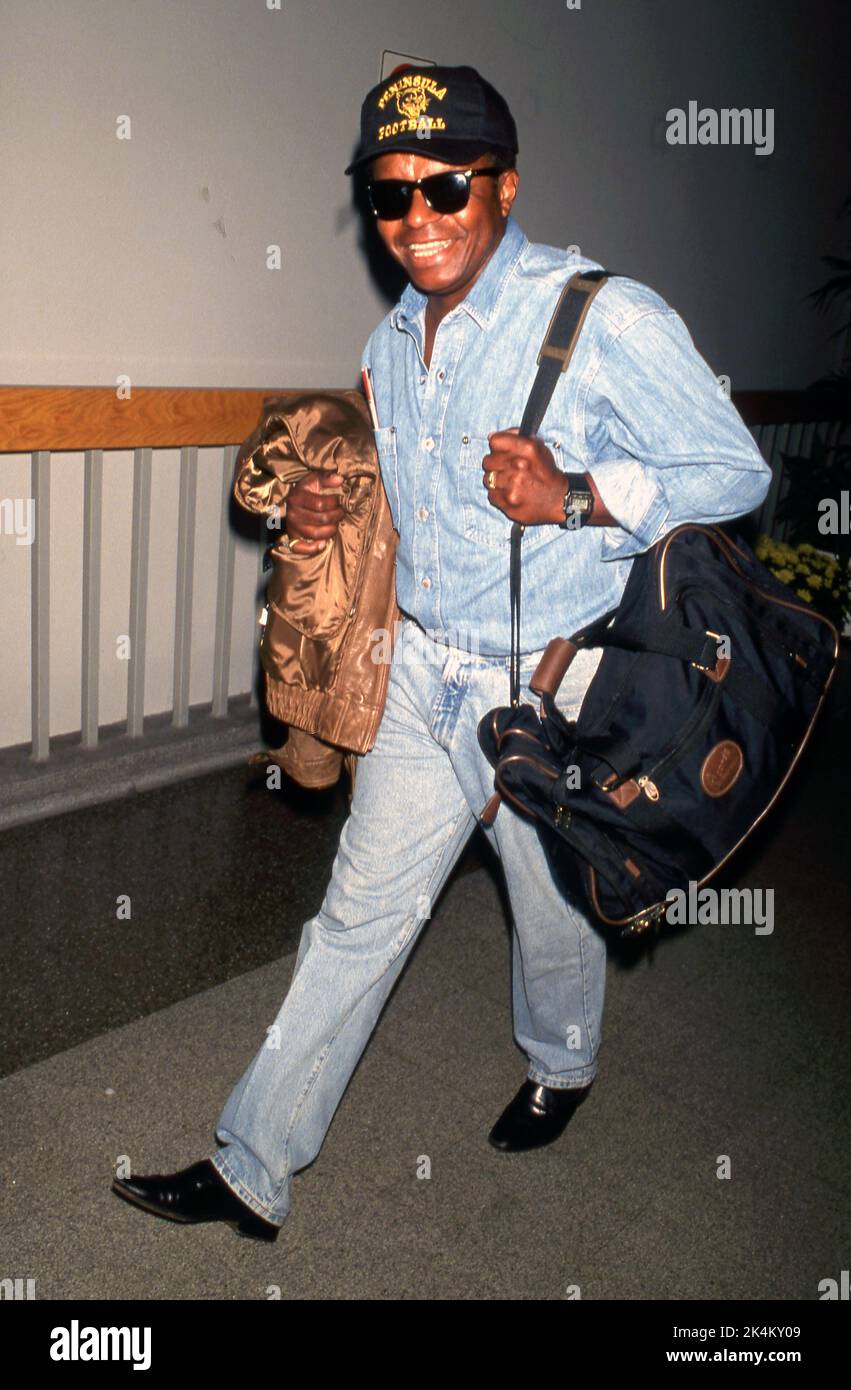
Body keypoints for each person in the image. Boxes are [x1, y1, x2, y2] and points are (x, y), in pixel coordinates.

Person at [111, 64, 771, 1241]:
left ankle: (560, 1065)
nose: (416, 218)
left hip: (554, 689)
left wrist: (573, 493)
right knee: (355, 918)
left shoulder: (600, 314)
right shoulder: (390, 338)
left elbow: (733, 472)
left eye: (445, 186)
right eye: (389, 194)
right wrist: (322, 510)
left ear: (502, 186)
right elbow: (406, 510)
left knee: (554, 915)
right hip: (422, 674)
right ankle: (250, 1164)